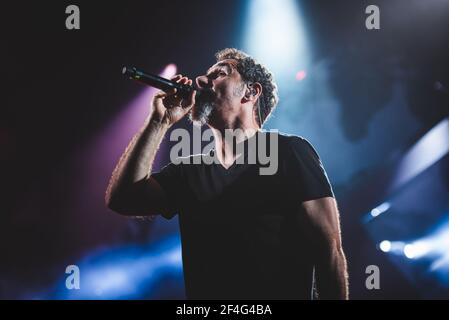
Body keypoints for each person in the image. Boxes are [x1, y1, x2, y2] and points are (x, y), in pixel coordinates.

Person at [105, 48, 348, 299]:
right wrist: (159, 121)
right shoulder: (188, 172)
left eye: (220, 74)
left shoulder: (289, 152)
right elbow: (123, 198)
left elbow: (328, 252)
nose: (200, 81)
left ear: (251, 92)